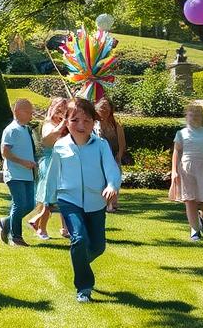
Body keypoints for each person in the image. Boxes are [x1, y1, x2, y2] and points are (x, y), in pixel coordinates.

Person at [49, 98, 122, 303]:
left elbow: (111, 170)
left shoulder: (101, 145)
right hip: (68, 199)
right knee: (79, 239)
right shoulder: (60, 146)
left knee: (98, 247)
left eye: (87, 121)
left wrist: (111, 186)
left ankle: (79, 261)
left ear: (94, 123)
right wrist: (48, 200)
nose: (81, 126)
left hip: (96, 201)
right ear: (66, 122)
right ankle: (84, 287)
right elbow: (53, 175)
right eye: (75, 120)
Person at [171, 104, 203, 240]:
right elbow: (176, 152)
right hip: (187, 167)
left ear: (202, 117)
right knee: (190, 199)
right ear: (186, 116)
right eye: (191, 114)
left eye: (197, 114)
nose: (194, 117)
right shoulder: (181, 133)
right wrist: (174, 171)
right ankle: (194, 230)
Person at [0, 98, 38, 246]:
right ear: (17, 111)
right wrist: (23, 162)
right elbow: (5, 152)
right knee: (19, 204)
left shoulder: (25, 129)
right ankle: (16, 237)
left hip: (26, 174)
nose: (31, 115)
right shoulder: (11, 130)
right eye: (28, 112)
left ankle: (6, 222)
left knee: (29, 205)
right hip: (14, 174)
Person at [27, 96, 69, 239]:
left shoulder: (64, 126)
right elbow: (48, 140)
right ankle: (41, 228)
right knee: (48, 198)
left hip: (63, 163)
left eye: (64, 111)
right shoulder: (48, 124)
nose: (61, 113)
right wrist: (63, 124)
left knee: (60, 197)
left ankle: (39, 222)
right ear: (52, 109)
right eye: (58, 110)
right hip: (50, 163)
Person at [95, 97, 129, 210]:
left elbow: (122, 143)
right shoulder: (93, 125)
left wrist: (119, 156)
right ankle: (103, 203)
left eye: (106, 107)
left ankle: (112, 203)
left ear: (111, 110)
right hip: (97, 158)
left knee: (114, 180)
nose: (104, 110)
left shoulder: (116, 125)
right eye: (102, 107)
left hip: (113, 157)